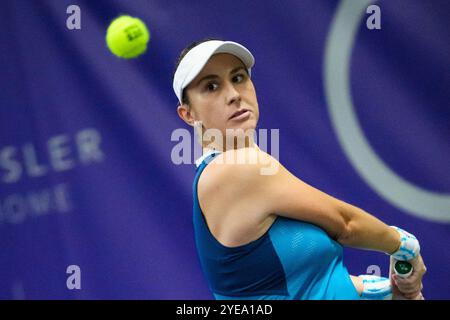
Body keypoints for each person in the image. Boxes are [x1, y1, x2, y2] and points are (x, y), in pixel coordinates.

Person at [173, 39, 426, 300]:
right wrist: (405, 246)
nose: (234, 94)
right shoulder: (234, 170)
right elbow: (346, 225)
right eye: (211, 86)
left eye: (238, 78)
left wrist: (384, 293)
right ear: (188, 115)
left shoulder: (241, 167)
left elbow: (308, 284)